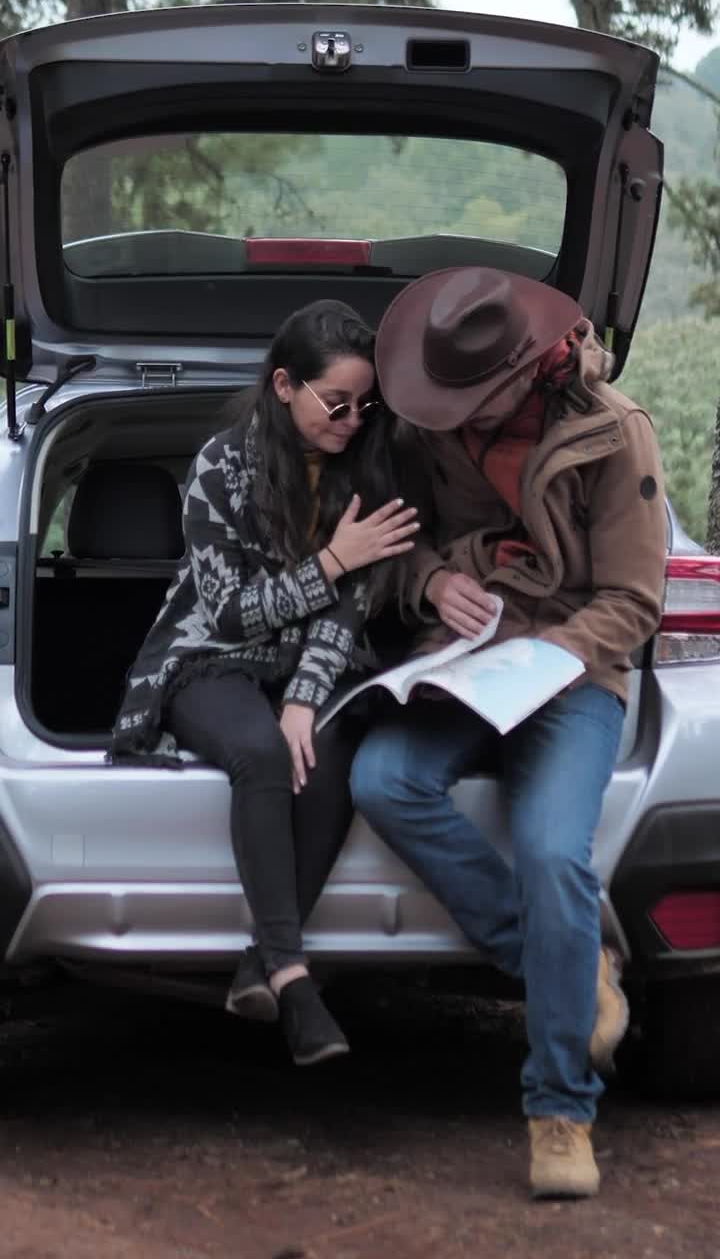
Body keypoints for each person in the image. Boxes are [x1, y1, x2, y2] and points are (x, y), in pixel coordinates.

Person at [350, 267, 667, 1197]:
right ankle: (573, 972)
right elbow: (396, 542)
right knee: (382, 780)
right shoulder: (422, 426)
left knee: (550, 853)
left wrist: (551, 658)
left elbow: (634, 602)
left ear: (527, 368)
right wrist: (430, 582)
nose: (449, 414)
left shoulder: (616, 431)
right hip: (463, 661)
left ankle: (560, 1110)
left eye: (468, 399)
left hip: (571, 674)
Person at [110, 299, 419, 1067]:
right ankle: (291, 973)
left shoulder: (367, 466)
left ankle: (264, 965)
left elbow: (350, 615)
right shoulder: (219, 466)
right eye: (337, 403)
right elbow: (233, 614)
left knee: (328, 757)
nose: (353, 420)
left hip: (317, 662)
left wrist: (307, 699)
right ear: (284, 385)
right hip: (208, 654)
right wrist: (334, 559)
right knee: (261, 755)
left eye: (365, 405)